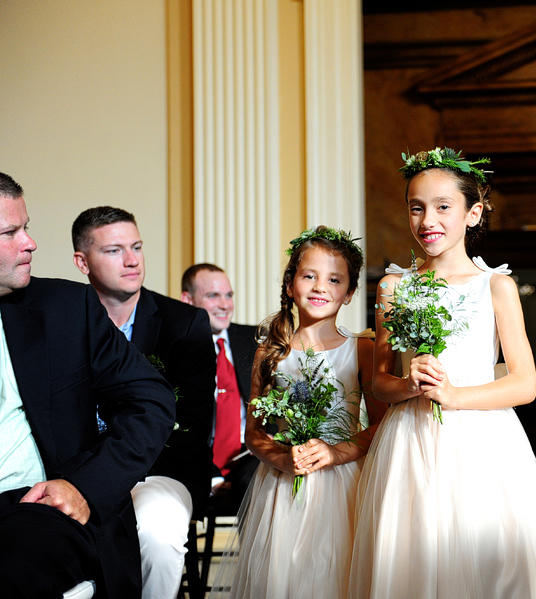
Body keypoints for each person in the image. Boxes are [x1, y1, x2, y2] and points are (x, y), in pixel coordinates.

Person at [348, 148, 536, 598]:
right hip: (410, 440)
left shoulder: (496, 286)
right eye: (416, 207)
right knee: (412, 562)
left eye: (442, 207)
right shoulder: (395, 287)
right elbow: (379, 381)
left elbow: (525, 383)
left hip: (483, 442)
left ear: (473, 214)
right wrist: (408, 383)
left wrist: (454, 396)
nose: (427, 220)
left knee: (487, 564)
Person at [0, 172, 174, 598]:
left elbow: (150, 403)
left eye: (26, 227)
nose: (30, 242)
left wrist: (83, 486)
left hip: (37, 507)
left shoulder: (68, 309)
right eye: (10, 232)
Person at [210, 226, 386, 599]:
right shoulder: (270, 353)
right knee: (284, 575)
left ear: (350, 292)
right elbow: (254, 433)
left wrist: (335, 451)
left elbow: (382, 426)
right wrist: (282, 458)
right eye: (309, 276)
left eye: (334, 279)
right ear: (291, 284)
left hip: (345, 482)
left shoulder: (363, 349)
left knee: (336, 572)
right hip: (282, 484)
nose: (321, 287)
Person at [72, 207, 216, 599]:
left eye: (136, 247)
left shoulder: (185, 324)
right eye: (115, 250)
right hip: (80, 472)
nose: (133, 260)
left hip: (160, 473)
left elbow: (193, 426)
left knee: (157, 529)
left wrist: (116, 474)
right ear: (82, 262)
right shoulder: (64, 321)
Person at [181, 263, 260, 506]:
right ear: (187, 300)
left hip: (251, 459)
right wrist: (213, 478)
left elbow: (275, 414)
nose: (225, 305)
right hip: (197, 461)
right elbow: (177, 427)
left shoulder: (256, 341)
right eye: (213, 296)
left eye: (228, 295)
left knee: (261, 484)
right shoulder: (175, 348)